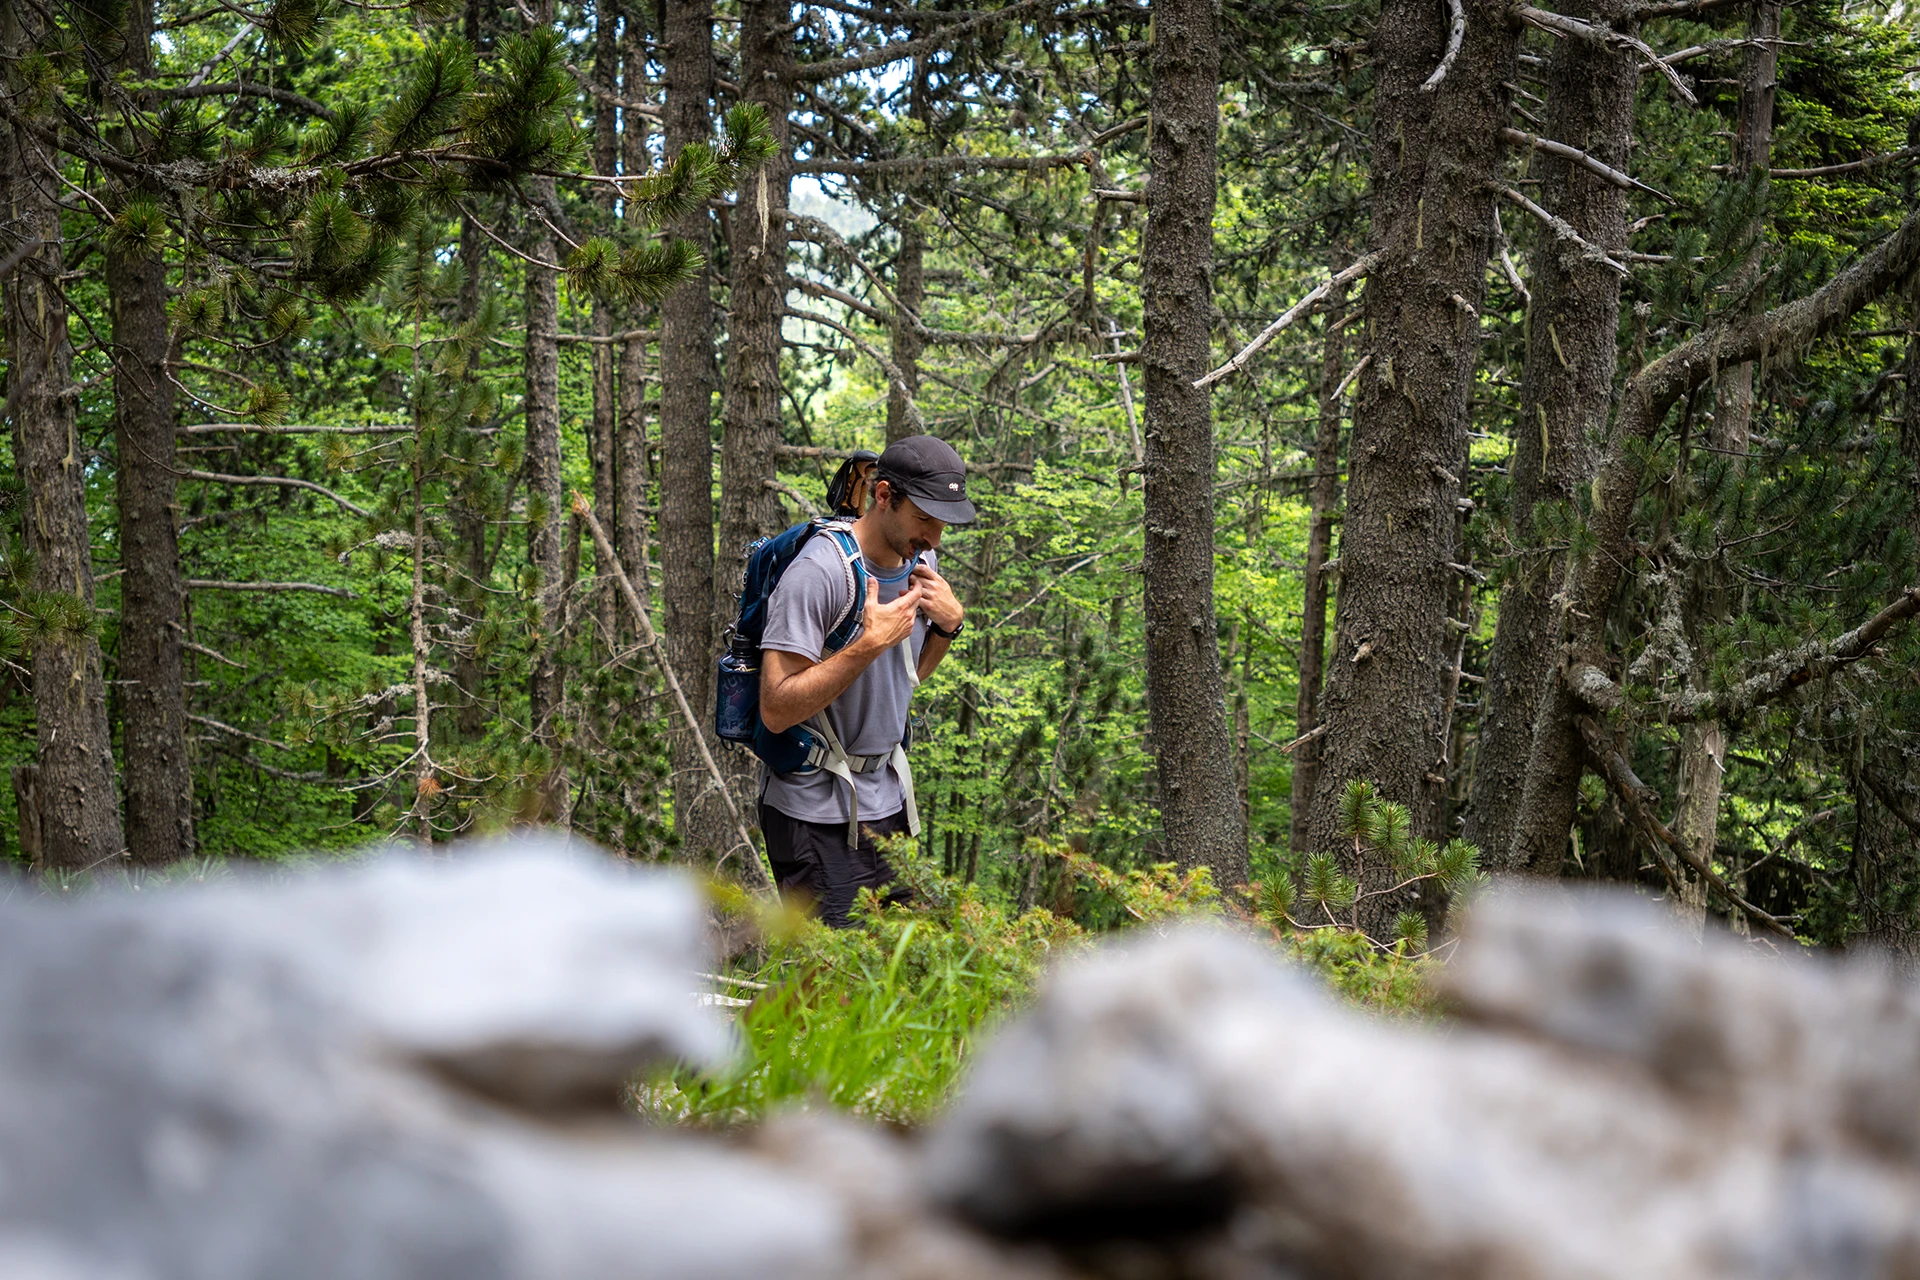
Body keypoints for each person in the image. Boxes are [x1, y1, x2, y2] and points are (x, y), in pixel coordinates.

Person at [757, 435, 975, 926]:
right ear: (883, 496)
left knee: (893, 978)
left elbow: (908, 676)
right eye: (925, 518)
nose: (935, 538)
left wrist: (948, 626)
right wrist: (866, 645)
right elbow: (775, 708)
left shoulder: (923, 565)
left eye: (943, 523)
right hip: (813, 808)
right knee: (833, 984)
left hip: (888, 801)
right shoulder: (819, 572)